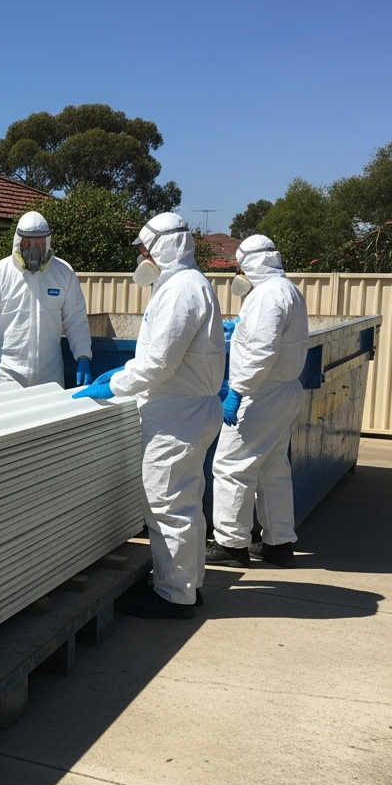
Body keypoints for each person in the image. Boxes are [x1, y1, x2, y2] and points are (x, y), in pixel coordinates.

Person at [73, 212, 226, 619]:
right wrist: (123, 372)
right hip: (185, 409)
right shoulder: (185, 284)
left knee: (166, 504)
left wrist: (114, 385)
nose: (142, 257)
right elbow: (160, 354)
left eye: (145, 249)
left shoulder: (180, 290)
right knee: (185, 503)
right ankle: (188, 584)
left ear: (163, 247)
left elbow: (159, 362)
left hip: (177, 415)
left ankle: (174, 596)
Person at [209, 235, 309, 569]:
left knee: (231, 466)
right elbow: (267, 338)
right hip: (283, 391)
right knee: (273, 470)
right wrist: (239, 328)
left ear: (249, 264)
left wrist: (238, 390)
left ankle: (231, 545)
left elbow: (262, 351)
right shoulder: (286, 289)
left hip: (262, 394)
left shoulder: (266, 295)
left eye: (239, 267)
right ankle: (278, 545)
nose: (238, 273)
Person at [0, 211, 93, 388]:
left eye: (39, 243)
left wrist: (83, 356)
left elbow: (76, 319)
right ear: (18, 242)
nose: (34, 249)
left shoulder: (64, 273)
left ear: (47, 242)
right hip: (6, 373)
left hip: (49, 374)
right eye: (28, 243)